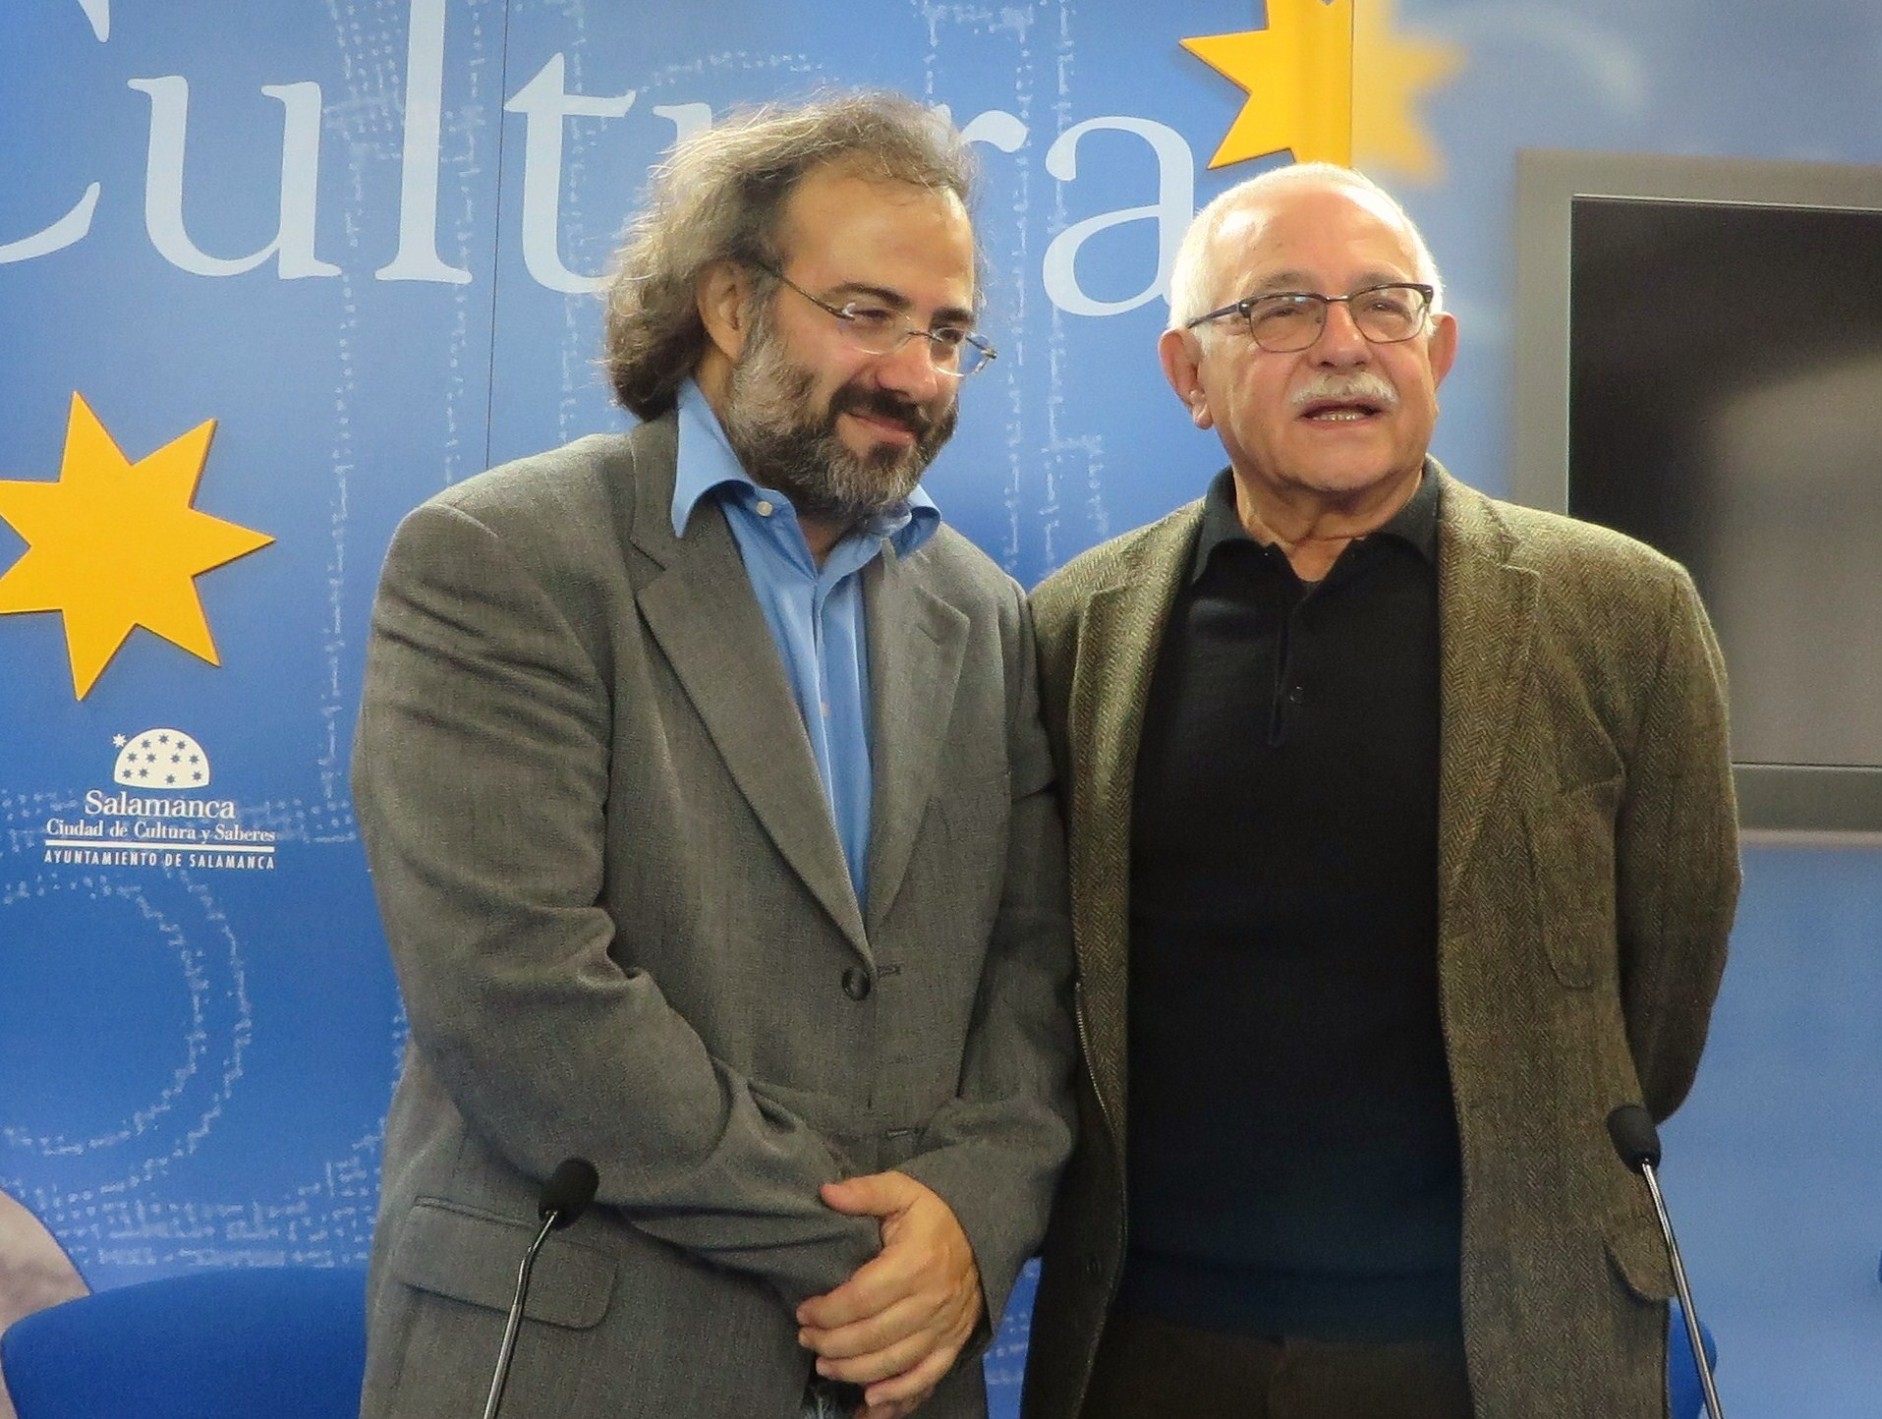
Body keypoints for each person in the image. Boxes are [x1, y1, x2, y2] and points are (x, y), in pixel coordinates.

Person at [352, 93, 1074, 1419]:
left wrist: (973, 1215)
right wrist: (874, 1251)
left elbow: (1035, 978)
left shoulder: (986, 614)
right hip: (581, 1355)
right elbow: (521, 995)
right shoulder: (502, 559)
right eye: (867, 311)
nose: (917, 373)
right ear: (730, 305)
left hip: (897, 1376)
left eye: (952, 332)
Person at [1021, 162, 1741, 1419]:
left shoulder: (1623, 610)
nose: (1342, 346)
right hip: (1149, 1338)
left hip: (1498, 1345)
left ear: (1439, 348)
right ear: (1188, 375)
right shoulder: (1073, 627)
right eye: (1281, 308)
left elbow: (1659, 995)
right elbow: (1033, 969)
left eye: (1383, 305)